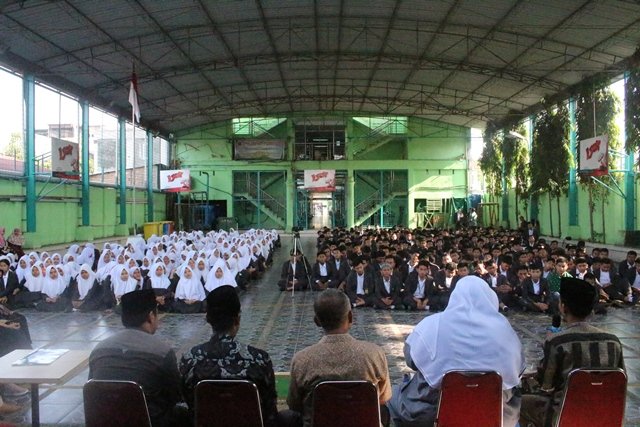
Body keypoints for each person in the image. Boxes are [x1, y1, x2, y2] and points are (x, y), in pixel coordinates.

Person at [388, 275, 524, 427]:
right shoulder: (504, 330)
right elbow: (519, 368)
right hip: (496, 415)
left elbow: (411, 360)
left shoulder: (433, 325)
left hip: (432, 414)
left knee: (392, 396)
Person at [519, 277, 625, 427]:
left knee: (520, 401)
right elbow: (620, 380)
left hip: (565, 413)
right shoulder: (613, 341)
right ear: (591, 310)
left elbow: (546, 386)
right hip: (605, 412)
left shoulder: (557, 342)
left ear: (563, 307)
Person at [287, 289, 392, 427]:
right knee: (384, 412)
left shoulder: (302, 360)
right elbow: (383, 398)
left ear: (316, 321)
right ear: (350, 317)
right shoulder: (374, 354)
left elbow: (294, 404)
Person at [180, 286, 282, 427]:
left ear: (208, 319)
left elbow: (187, 405)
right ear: (237, 319)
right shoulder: (259, 359)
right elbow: (270, 411)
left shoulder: (190, 359)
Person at [88, 289, 188, 427]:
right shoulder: (161, 351)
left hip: (105, 420)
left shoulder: (99, 349)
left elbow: (93, 389)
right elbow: (175, 395)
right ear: (151, 316)